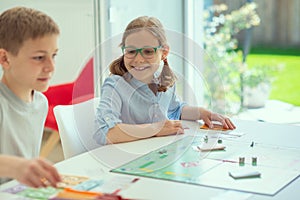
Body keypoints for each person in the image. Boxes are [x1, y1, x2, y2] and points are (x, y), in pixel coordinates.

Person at [94, 16, 235, 145]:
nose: (138, 59)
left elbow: (176, 110)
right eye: (131, 51)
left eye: (148, 51)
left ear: (164, 52)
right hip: (125, 159)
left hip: (157, 152)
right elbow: (106, 133)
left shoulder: (164, 80)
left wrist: (203, 113)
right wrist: (155, 129)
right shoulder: (115, 85)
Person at [0, 7, 61, 187]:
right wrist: (15, 167)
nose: (50, 66)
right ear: (5, 59)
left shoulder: (41, 102)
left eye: (54, 55)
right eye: (39, 57)